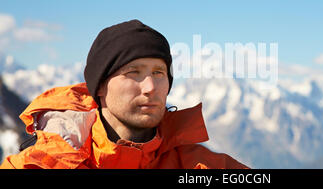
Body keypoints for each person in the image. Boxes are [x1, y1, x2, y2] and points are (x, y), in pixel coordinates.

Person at [0, 19, 248, 169]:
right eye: (133, 72)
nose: (150, 87)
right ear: (99, 87)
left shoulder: (201, 166)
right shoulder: (39, 164)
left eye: (159, 73)